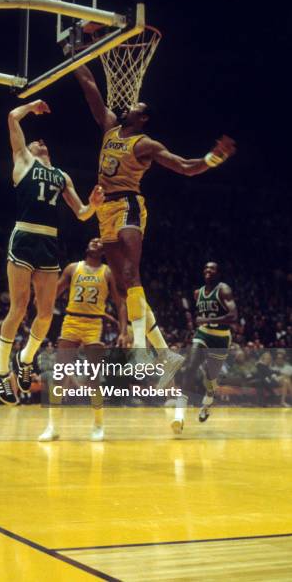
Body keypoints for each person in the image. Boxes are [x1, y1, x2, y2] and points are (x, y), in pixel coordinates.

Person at [74, 64, 236, 380]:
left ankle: (139, 349)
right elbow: (89, 84)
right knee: (122, 285)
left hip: (129, 205)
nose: (128, 105)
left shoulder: (146, 144)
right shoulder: (109, 125)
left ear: (143, 117)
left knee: (129, 272)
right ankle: (163, 353)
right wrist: (75, 54)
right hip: (104, 209)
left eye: (135, 106)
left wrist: (213, 158)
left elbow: (185, 167)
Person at [0, 99, 104, 405]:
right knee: (19, 306)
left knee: (45, 313)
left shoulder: (62, 176)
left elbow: (81, 213)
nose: (40, 140)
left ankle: (26, 359)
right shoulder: (23, 160)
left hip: (49, 242)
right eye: (35, 139)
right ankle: (0, 370)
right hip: (25, 235)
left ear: (49, 151)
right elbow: (12, 116)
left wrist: (93, 204)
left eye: (43, 141)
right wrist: (32, 106)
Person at [38, 237, 127, 441]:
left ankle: (98, 424)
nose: (96, 242)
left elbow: (120, 304)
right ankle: (53, 427)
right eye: (93, 241)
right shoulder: (72, 268)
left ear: (104, 251)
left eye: (100, 243)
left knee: (93, 378)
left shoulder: (108, 272)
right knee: (59, 375)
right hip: (71, 321)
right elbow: (54, 292)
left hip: (94, 324)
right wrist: (41, 299)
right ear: (86, 246)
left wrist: (123, 331)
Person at [172, 262, 238, 433]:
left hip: (221, 339)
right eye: (206, 268)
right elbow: (200, 318)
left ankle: (208, 403)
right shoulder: (197, 293)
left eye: (212, 268)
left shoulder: (223, 290)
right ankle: (179, 415)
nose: (208, 271)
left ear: (218, 273)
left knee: (210, 380)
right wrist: (202, 322)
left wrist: (207, 320)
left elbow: (233, 316)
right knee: (189, 368)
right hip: (203, 335)